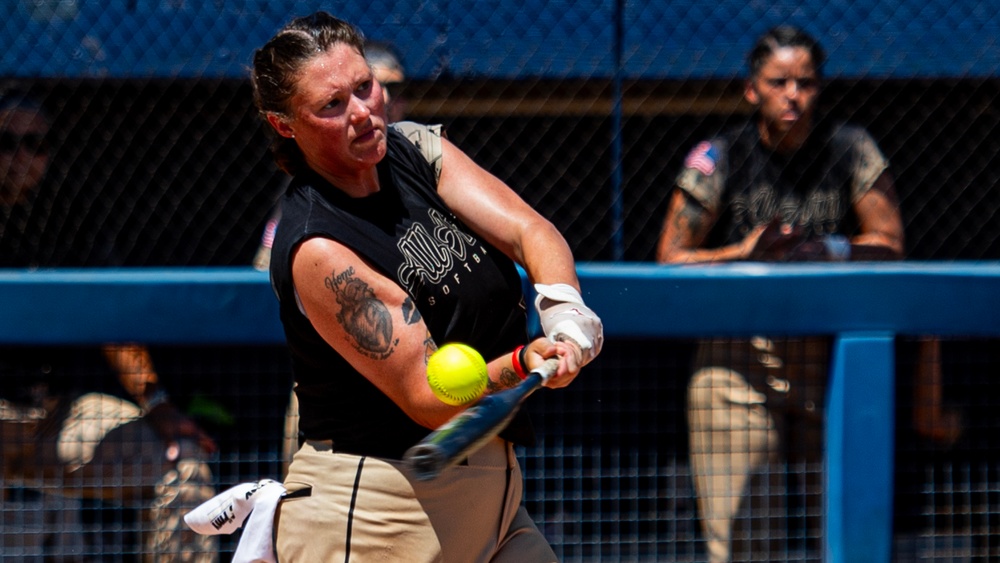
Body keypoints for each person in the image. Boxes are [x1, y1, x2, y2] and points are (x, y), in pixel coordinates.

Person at [249, 12, 603, 561]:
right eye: (331, 105)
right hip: (379, 515)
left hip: (495, 496)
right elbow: (427, 396)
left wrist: (562, 309)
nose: (364, 113)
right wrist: (524, 361)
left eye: (365, 87)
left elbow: (528, 229)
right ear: (285, 125)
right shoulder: (317, 246)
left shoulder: (413, 148)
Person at [655, 26, 906, 562]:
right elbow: (669, 258)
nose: (793, 94)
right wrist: (744, 252)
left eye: (806, 82)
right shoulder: (721, 156)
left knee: (847, 535)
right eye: (778, 82)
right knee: (748, 543)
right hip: (739, 355)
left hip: (833, 352)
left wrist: (828, 250)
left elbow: (891, 245)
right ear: (752, 90)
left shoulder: (849, 147)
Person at [0, 89, 218, 561]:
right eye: (7, 142)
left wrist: (158, 405)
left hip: (56, 417)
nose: (20, 157)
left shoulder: (66, 213)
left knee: (183, 465)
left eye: (34, 144)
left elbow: (112, 321)